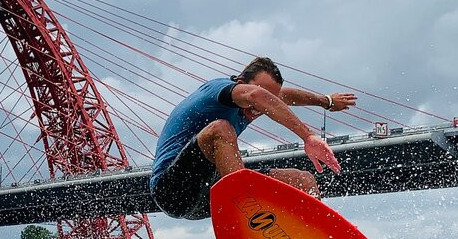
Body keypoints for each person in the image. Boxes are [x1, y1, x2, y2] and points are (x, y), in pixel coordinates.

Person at [150, 56, 356, 220]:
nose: (260, 109)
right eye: (259, 96)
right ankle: (253, 217)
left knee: (303, 180)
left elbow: (285, 96)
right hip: (171, 189)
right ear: (241, 85)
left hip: (211, 192)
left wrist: (326, 101)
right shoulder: (218, 91)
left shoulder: (256, 100)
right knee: (221, 129)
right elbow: (258, 96)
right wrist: (308, 136)